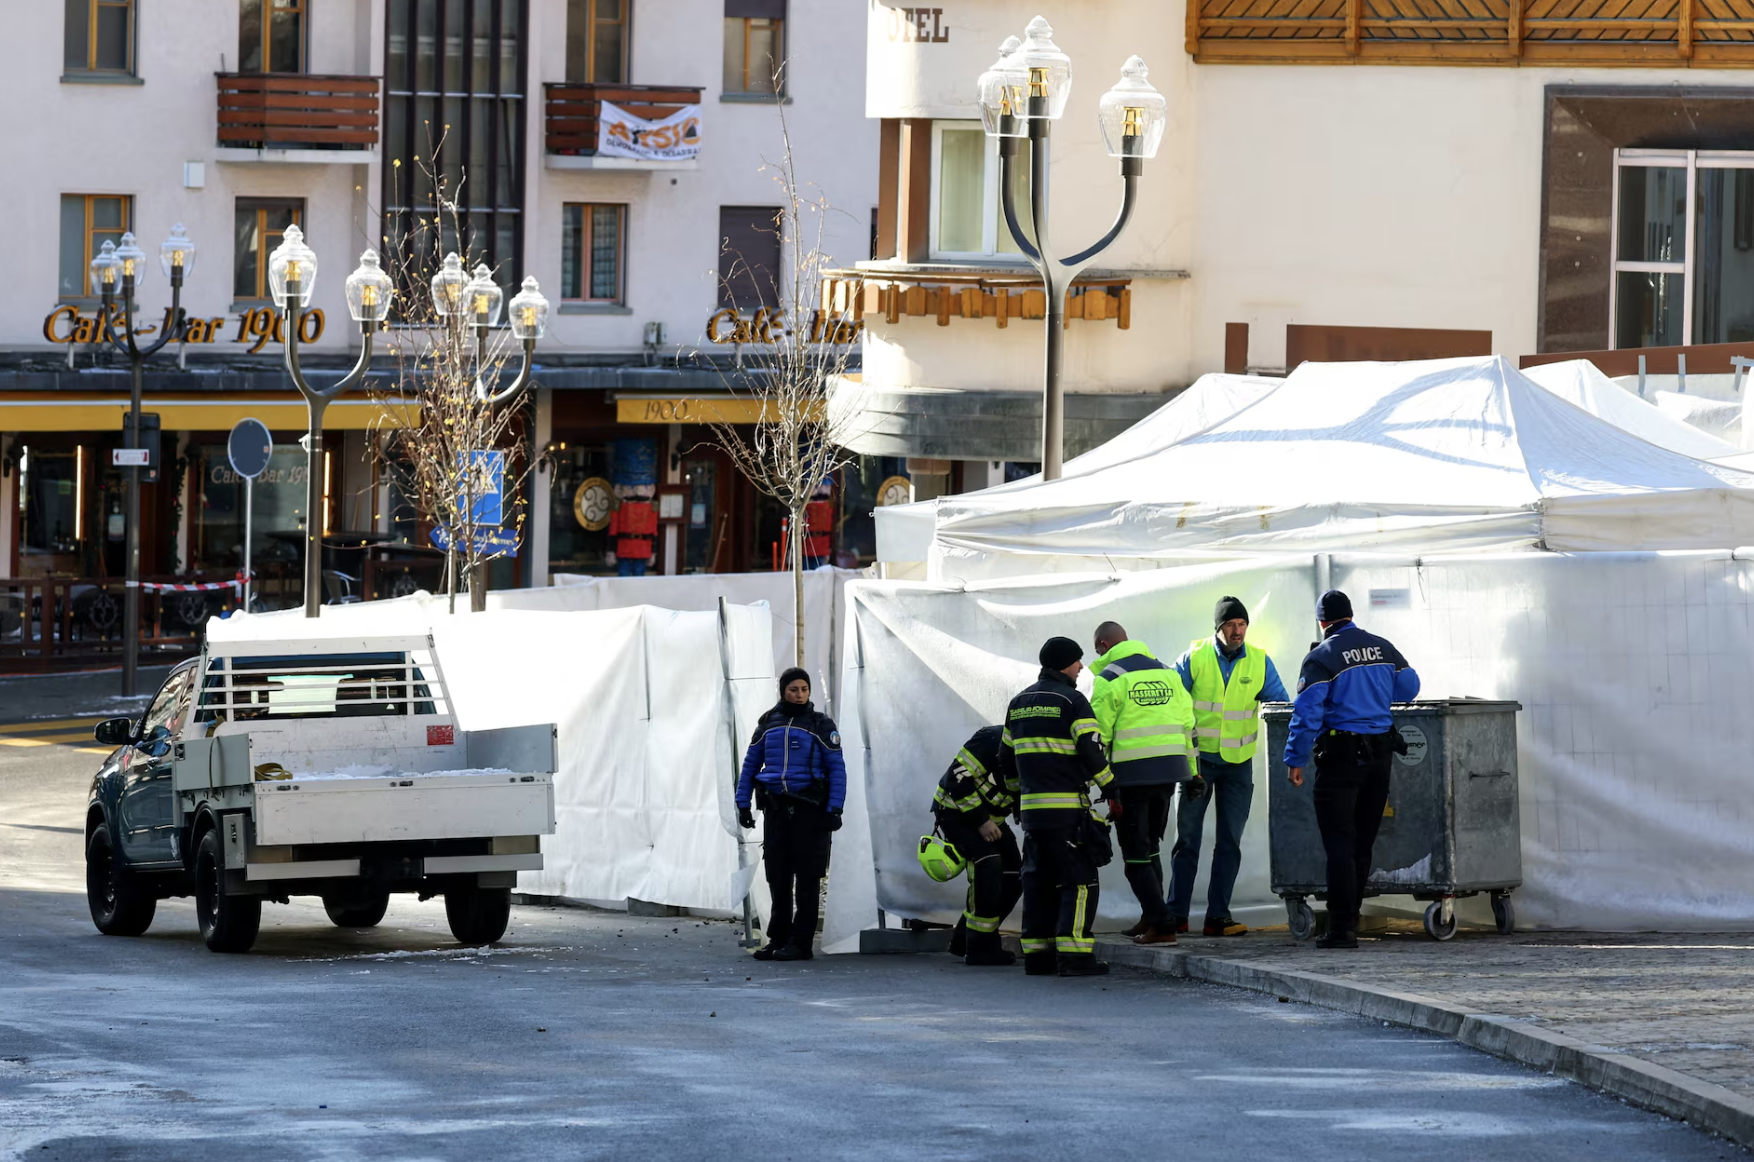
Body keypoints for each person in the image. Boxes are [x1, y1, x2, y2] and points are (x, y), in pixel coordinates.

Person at [1284, 590, 1420, 950]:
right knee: (1362, 843)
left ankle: (1343, 928)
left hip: (1342, 756)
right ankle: (1352, 917)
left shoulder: (1322, 656)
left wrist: (1295, 759)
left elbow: (1307, 712)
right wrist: (1373, 693)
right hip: (1379, 757)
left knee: (1339, 844)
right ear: (1351, 615)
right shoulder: (1382, 647)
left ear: (1322, 622)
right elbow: (1410, 688)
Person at [1168, 595, 1290, 938]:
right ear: (1218, 628)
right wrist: (1184, 761)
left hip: (1238, 765)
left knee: (1229, 842)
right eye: (1230, 625)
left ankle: (1217, 916)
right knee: (1187, 840)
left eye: (1242, 625)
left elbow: (1280, 703)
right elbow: (1174, 707)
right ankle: (1176, 914)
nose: (1237, 631)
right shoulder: (1194, 658)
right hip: (1197, 765)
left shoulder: (1259, 661)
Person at [999, 636, 1115, 978]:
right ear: (1065, 663)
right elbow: (1091, 751)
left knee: (1037, 882)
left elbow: (1006, 759)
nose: (1081, 667)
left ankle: (1037, 956)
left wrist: (1019, 799)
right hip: (1066, 812)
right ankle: (1075, 956)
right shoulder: (1073, 700)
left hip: (1033, 815)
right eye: (1078, 661)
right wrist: (1112, 786)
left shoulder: (1018, 703)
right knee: (1079, 881)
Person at [1090, 621, 1195, 947]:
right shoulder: (1168, 673)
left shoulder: (1109, 679)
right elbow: (1189, 726)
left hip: (1132, 777)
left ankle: (1163, 925)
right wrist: (1193, 772)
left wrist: (1100, 781)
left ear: (1104, 646)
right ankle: (1152, 916)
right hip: (1169, 773)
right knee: (1150, 849)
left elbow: (1098, 736)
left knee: (1135, 858)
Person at [736, 667, 846, 962]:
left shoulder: (821, 724)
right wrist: (742, 803)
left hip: (811, 811)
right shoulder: (768, 722)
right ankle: (779, 939)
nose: (799, 695)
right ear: (783, 691)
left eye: (804, 689)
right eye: (793, 690)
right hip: (776, 810)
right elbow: (750, 765)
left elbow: (837, 769)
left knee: (808, 879)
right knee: (778, 877)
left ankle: (801, 943)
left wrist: (835, 808)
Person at [930, 724, 1022, 967]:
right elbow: (956, 779)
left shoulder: (1037, 746)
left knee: (1015, 875)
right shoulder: (991, 739)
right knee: (988, 866)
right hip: (956, 812)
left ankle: (963, 938)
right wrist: (981, 821)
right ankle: (980, 948)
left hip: (993, 819)